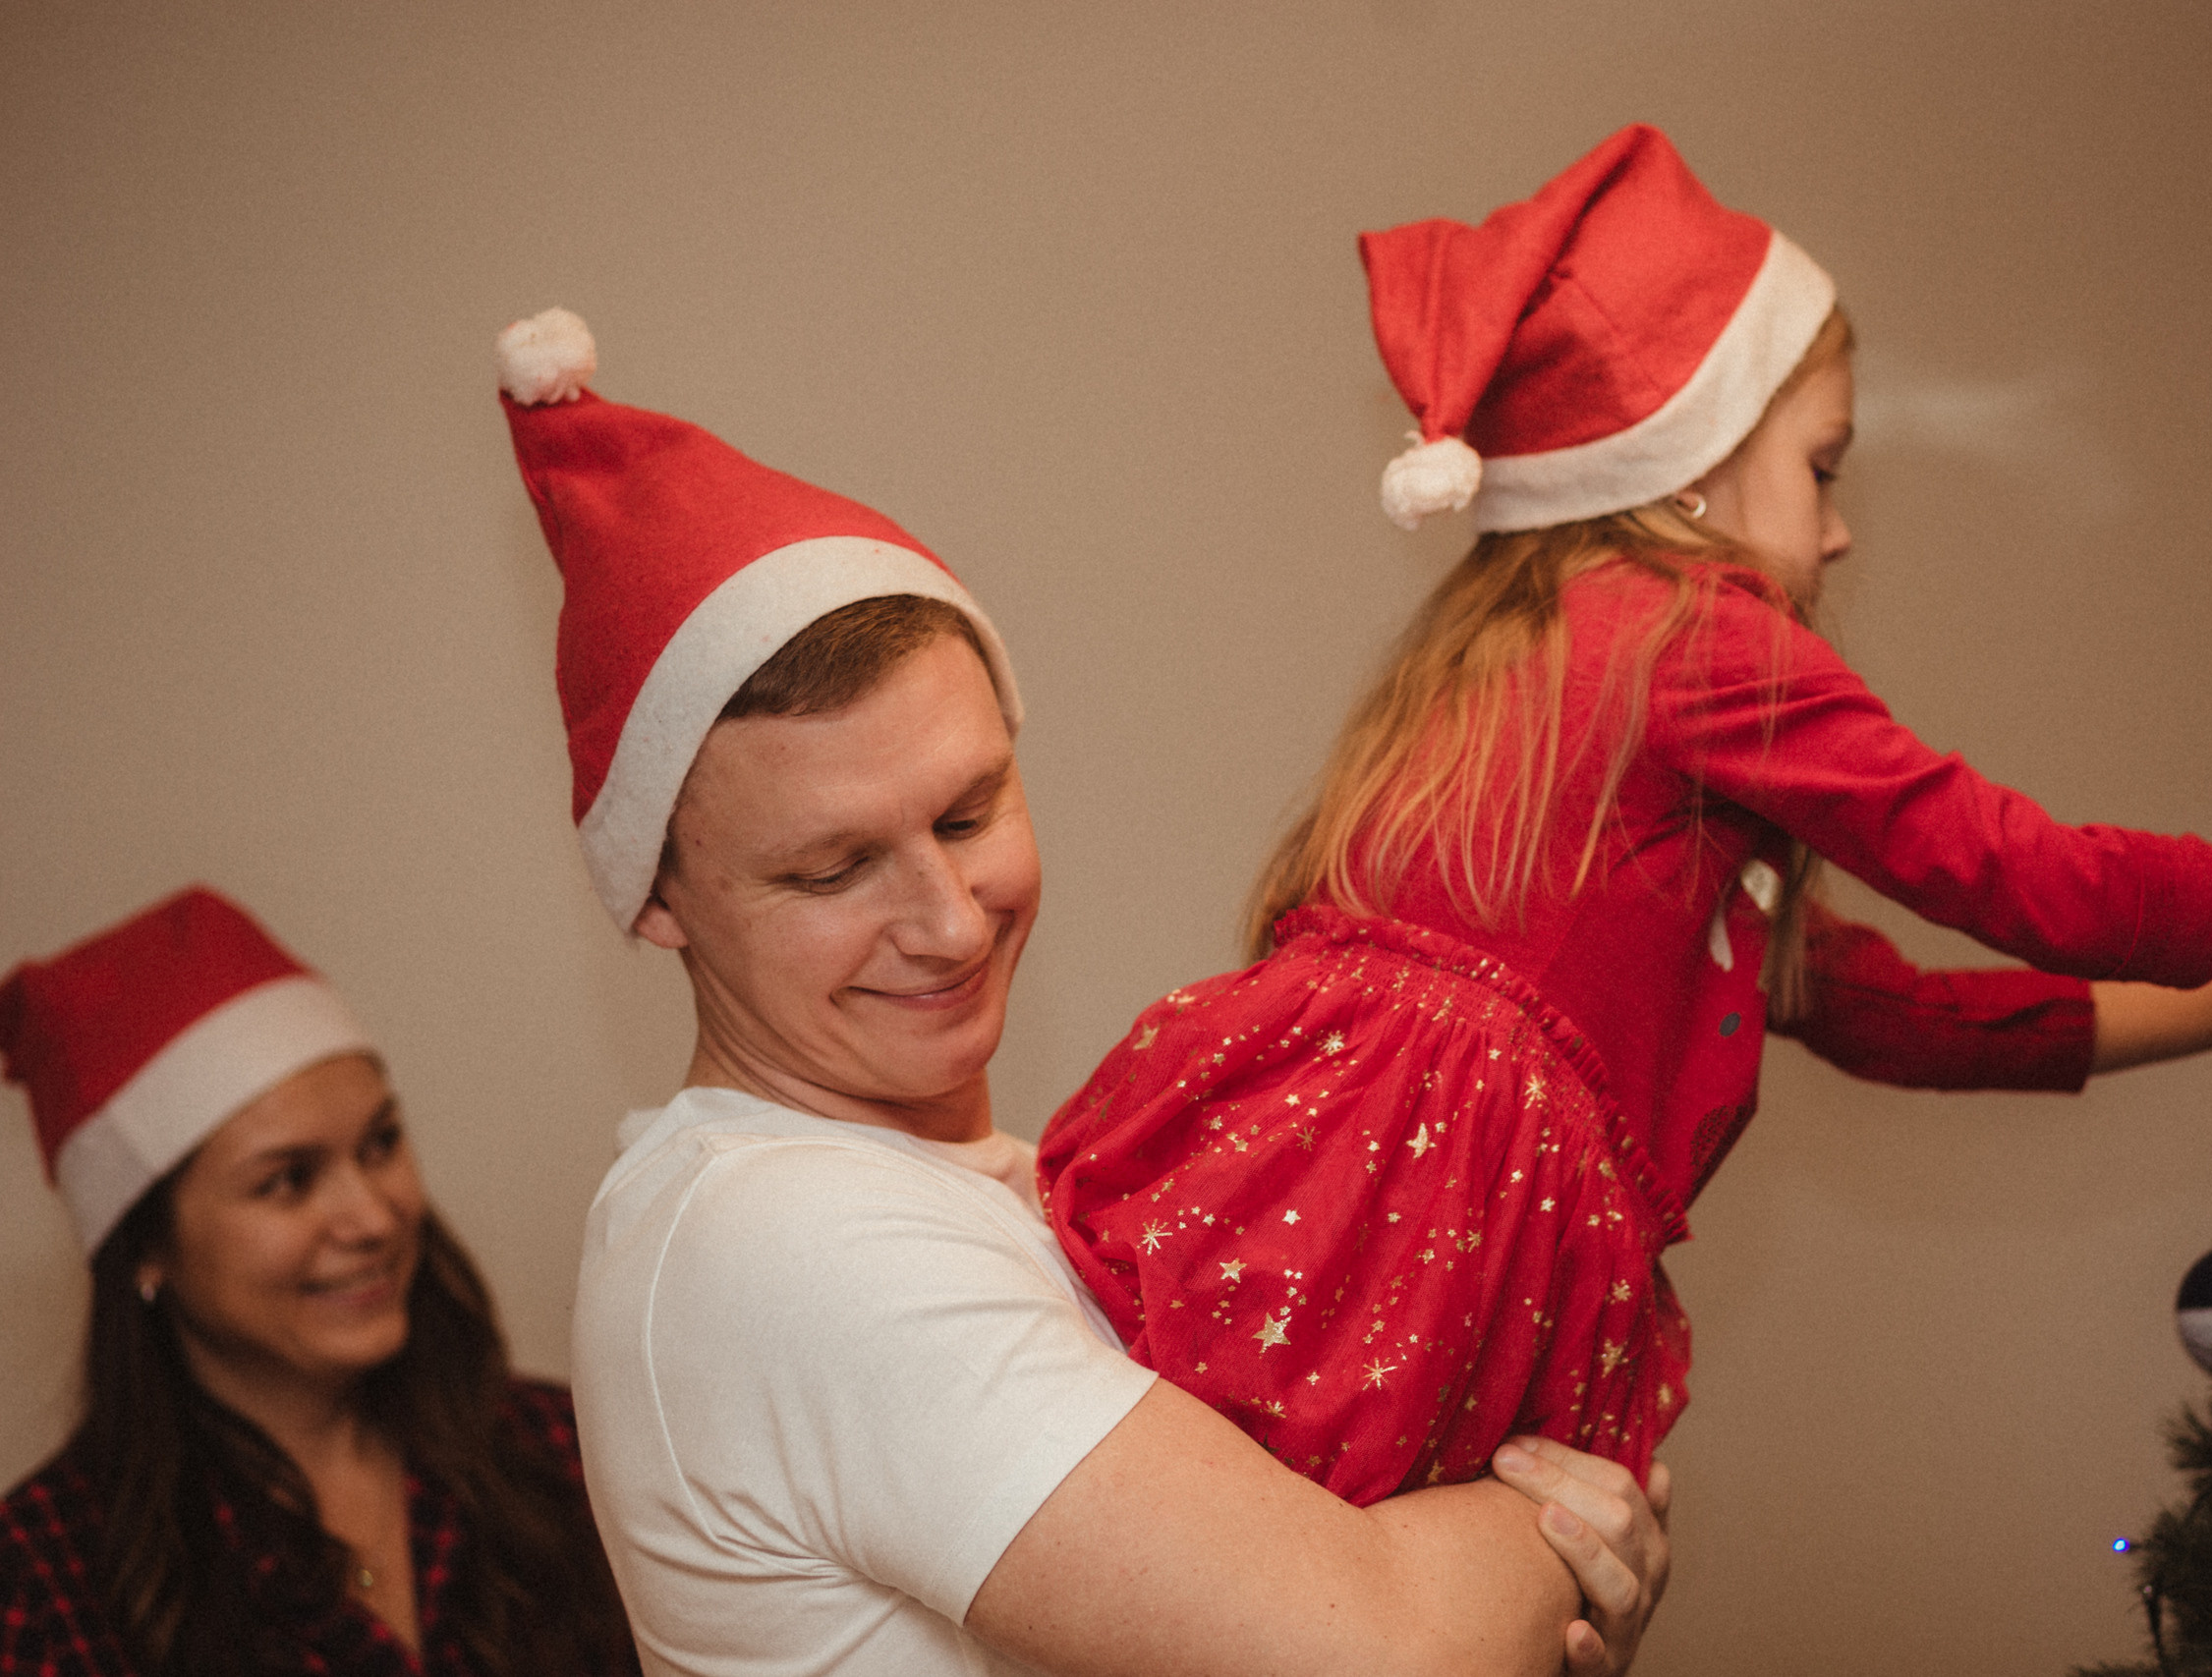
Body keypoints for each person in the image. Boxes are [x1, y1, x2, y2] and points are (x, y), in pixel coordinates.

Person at [1034, 124, 2212, 1505]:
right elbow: (2029, 875)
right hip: (1428, 1232)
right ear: (1682, 469)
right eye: (1820, 467)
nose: (1843, 523)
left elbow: (1909, 1018)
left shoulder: (1569, 706)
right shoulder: (1691, 639)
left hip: (1359, 1213)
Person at [493, 307, 1669, 1677]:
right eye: (831, 870)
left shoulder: (1002, 1193)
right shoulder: (780, 1241)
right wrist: (1569, 1519)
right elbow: (1387, 1647)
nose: (945, 921)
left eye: (970, 810)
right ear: (657, 899)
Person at [0, 886, 635, 1677]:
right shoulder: (43, 1576)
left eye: (380, 1143)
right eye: (287, 1181)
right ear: (144, 1246)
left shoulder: (561, 1452)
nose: (372, 1216)